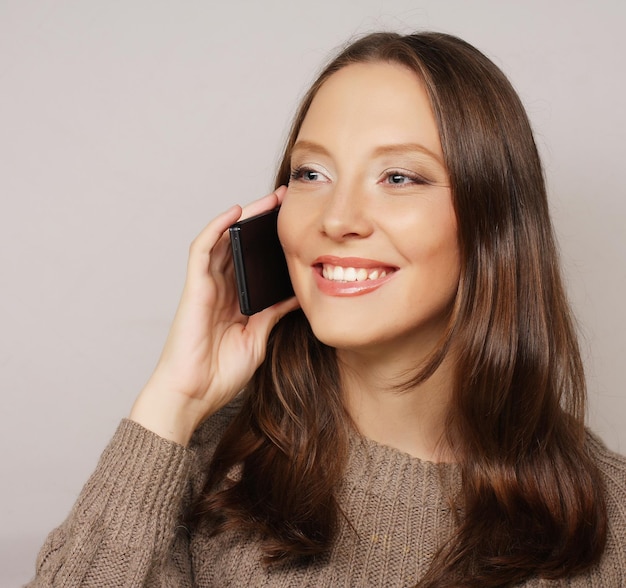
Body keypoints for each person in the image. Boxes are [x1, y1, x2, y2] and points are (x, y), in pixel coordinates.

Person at [28, 31, 626, 588]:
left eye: (398, 177)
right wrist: (174, 401)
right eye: (311, 173)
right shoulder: (205, 466)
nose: (336, 219)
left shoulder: (611, 519)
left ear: (493, 224)